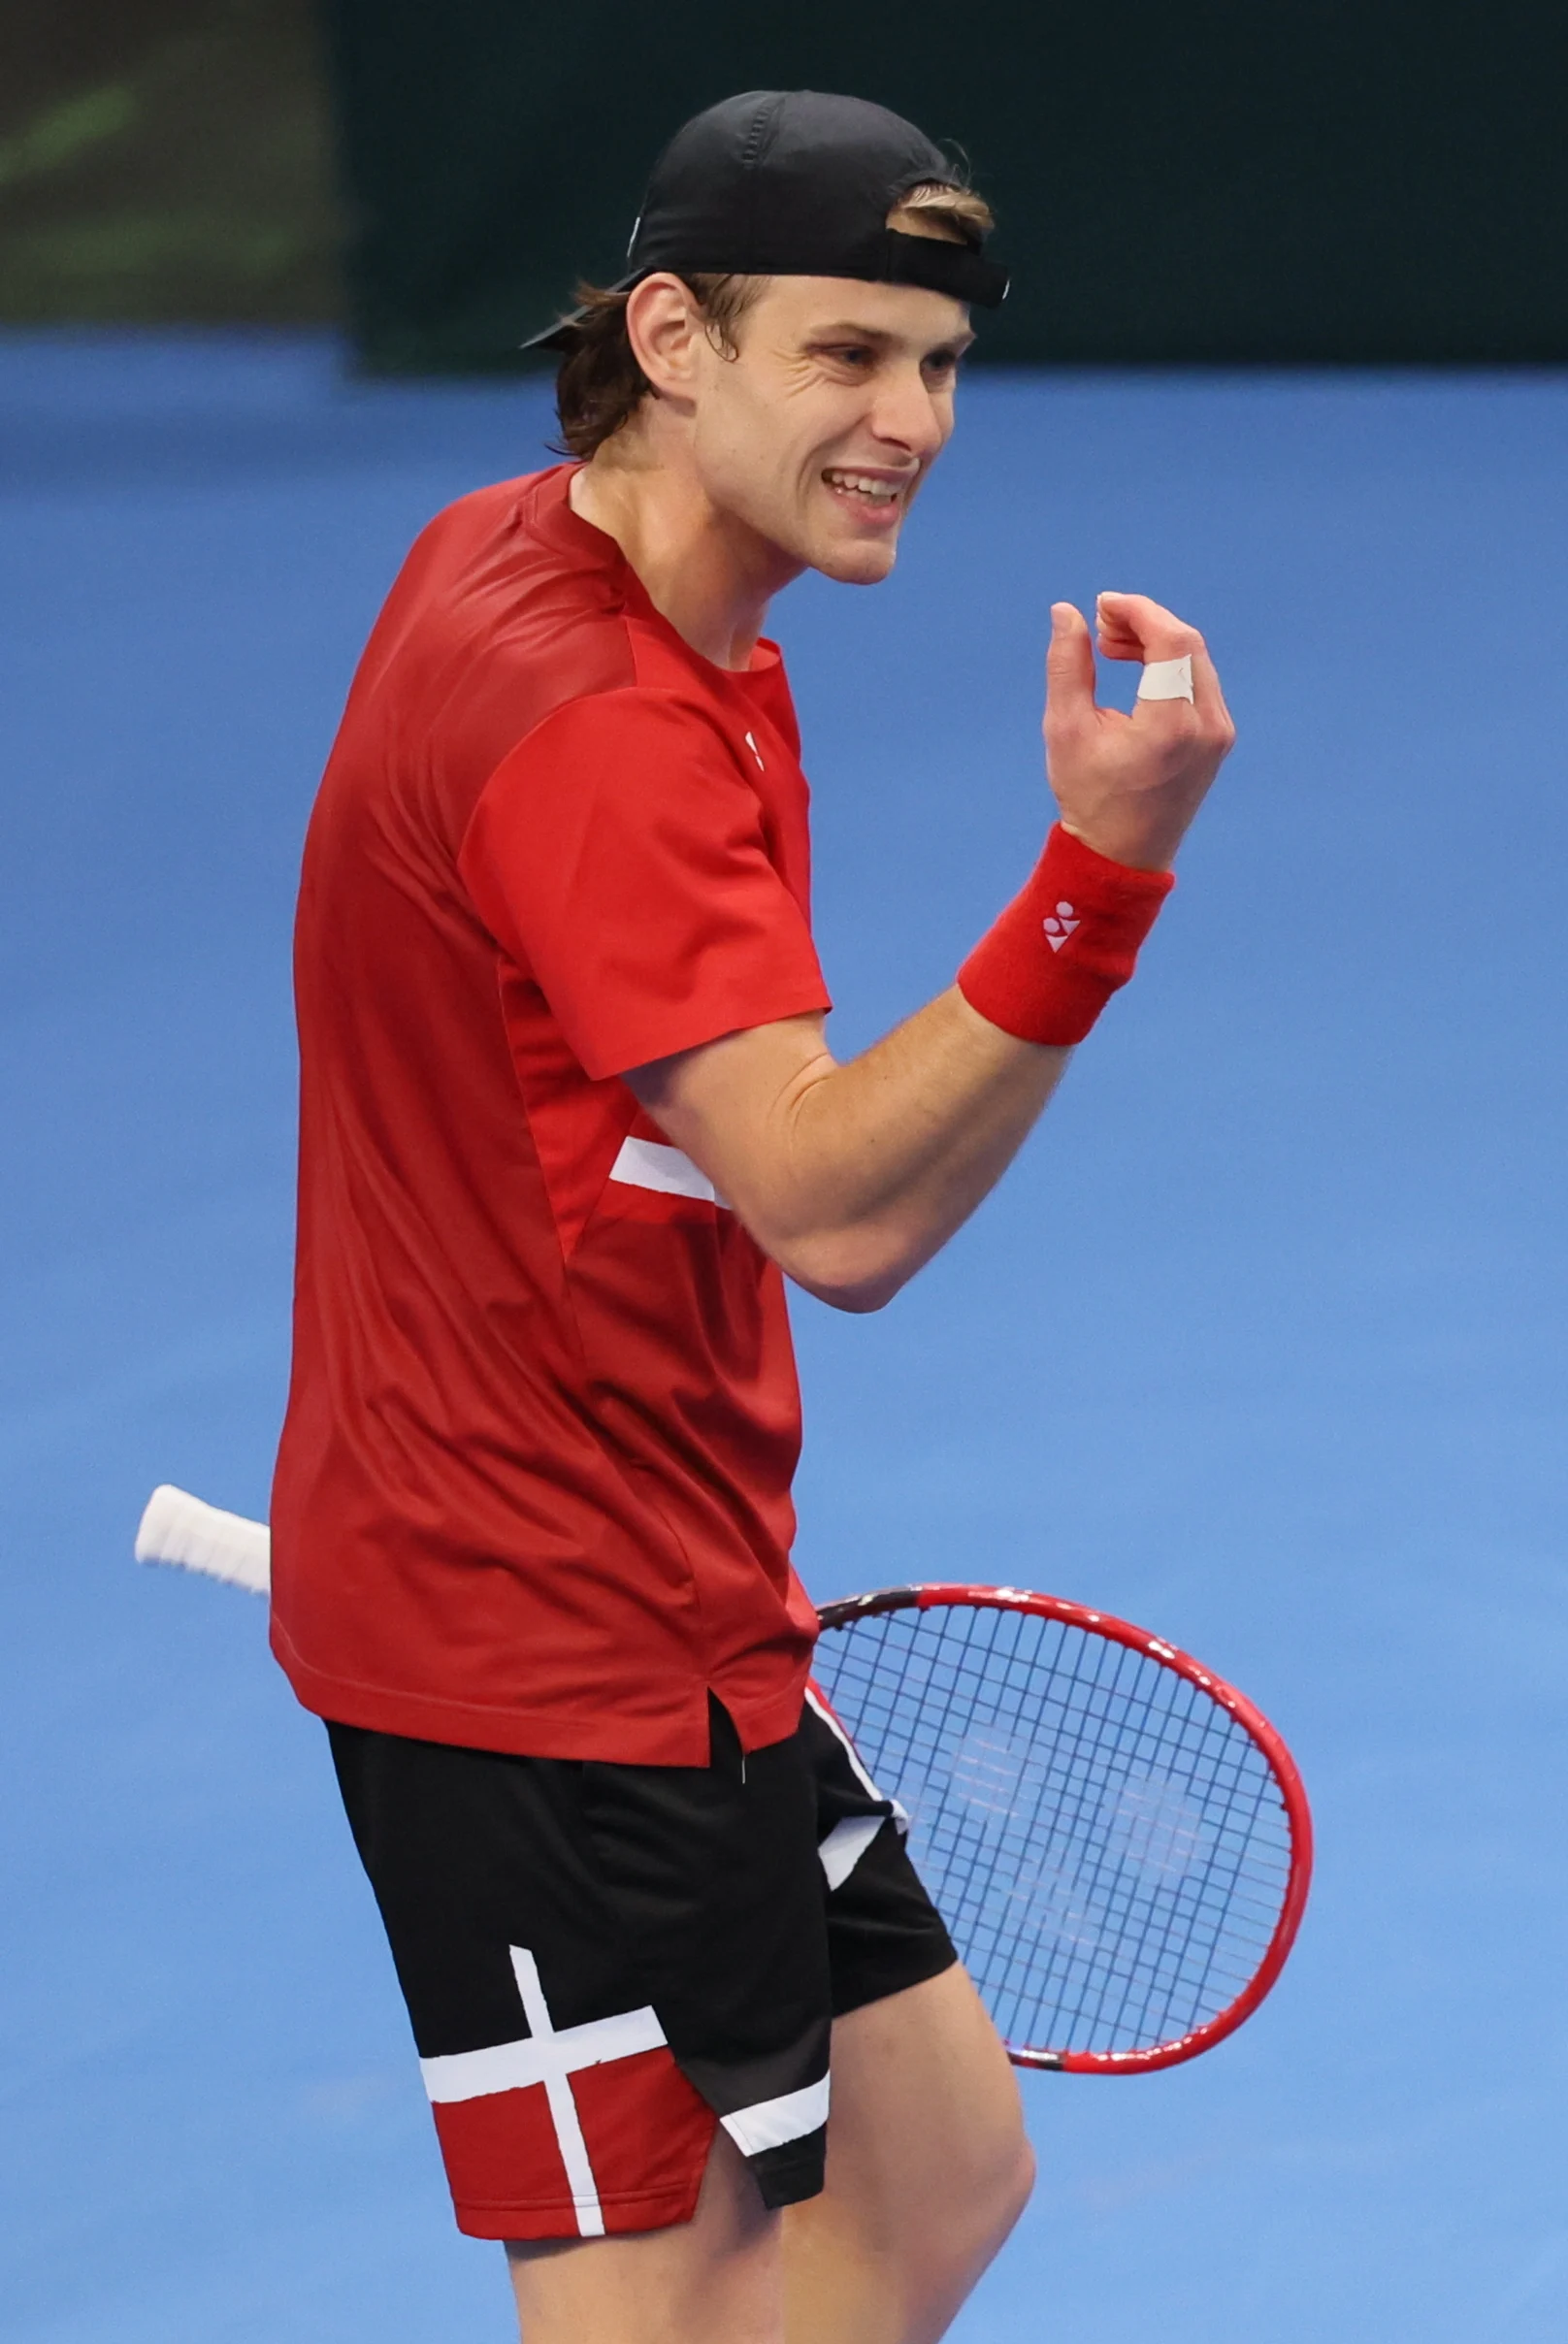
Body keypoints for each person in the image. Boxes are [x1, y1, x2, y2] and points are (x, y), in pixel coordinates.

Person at [269, 86, 1233, 2344]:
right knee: (659, 2296)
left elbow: (738, 1174)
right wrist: (1100, 878)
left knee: (931, 2175)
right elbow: (829, 1204)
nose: (911, 420)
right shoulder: (591, 718)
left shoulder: (562, 566)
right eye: (848, 355)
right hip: (534, 1659)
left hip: (668, 1595)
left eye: (940, 364)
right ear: (673, 334)